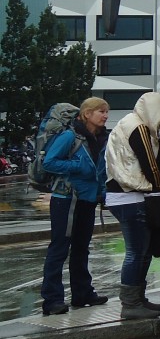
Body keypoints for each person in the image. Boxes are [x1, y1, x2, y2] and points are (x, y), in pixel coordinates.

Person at [105, 91, 160, 320]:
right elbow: (150, 165)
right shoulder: (138, 128)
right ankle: (130, 303)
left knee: (142, 251)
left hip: (123, 196)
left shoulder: (127, 123)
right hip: (130, 197)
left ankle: (138, 299)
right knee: (137, 252)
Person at [39, 97, 110, 316]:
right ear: (87, 114)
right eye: (101, 111)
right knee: (59, 248)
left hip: (87, 199)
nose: (105, 115)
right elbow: (48, 162)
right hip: (66, 198)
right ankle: (52, 300)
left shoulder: (100, 138)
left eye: (107, 112)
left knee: (81, 248)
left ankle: (82, 294)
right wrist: (77, 166)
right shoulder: (70, 135)